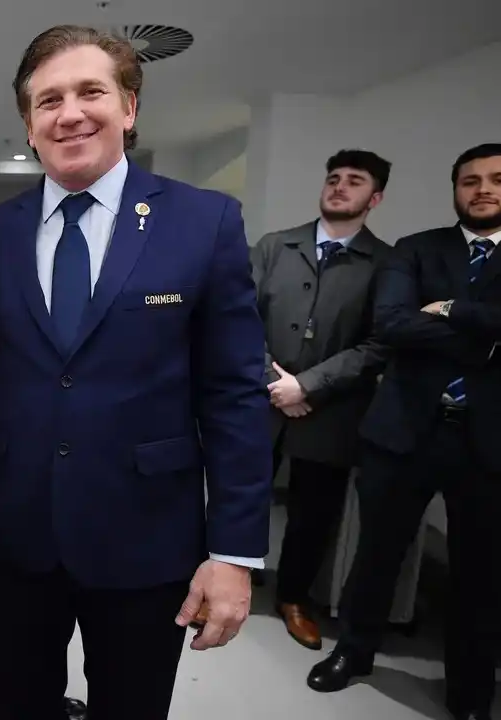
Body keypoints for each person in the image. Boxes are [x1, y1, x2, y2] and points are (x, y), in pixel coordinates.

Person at [0, 25, 273, 719]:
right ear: (28, 125)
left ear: (129, 107)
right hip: (15, 532)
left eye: (90, 91)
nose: (69, 113)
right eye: (47, 100)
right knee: (17, 703)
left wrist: (234, 553)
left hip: (147, 536)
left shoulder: (203, 223)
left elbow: (234, 394)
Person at [306, 143, 501, 720]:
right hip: (405, 429)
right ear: (455, 189)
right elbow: (390, 324)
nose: (482, 189)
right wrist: (487, 336)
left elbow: (418, 325)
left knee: (481, 571)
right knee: (376, 555)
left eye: (494, 179)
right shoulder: (417, 250)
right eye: (469, 180)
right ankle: (355, 652)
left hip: (488, 440)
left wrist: (450, 312)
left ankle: (469, 687)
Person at [238, 149, 391, 649]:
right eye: (334, 178)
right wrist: (272, 383)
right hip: (259, 400)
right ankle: (234, 574)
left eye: (355, 181)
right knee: (241, 492)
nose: (340, 187)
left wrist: (306, 387)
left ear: (376, 197)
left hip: (331, 409)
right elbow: (236, 317)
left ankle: (294, 597)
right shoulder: (275, 246)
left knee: (312, 511)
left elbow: (379, 343)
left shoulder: (385, 263)